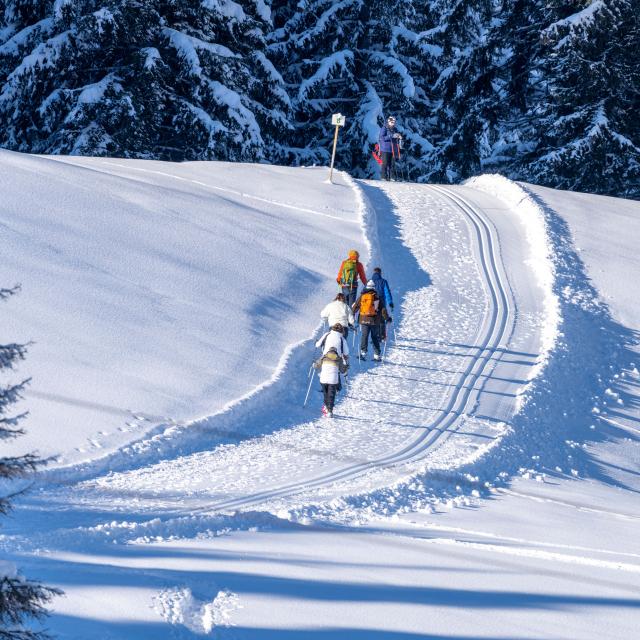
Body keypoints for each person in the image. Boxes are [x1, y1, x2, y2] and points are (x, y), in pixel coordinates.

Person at [352, 280, 389, 361]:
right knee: (374, 337)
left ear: (367, 287)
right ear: (374, 288)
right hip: (375, 321)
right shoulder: (377, 297)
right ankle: (376, 355)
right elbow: (383, 310)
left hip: (364, 319)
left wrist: (352, 313)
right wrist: (387, 318)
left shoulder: (362, 296)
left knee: (364, 336)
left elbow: (355, 307)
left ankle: (363, 353)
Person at [314, 347, 348, 418]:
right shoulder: (338, 359)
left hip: (323, 379)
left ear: (329, 351)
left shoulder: (324, 357)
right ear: (335, 352)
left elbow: (316, 365)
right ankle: (330, 411)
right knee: (331, 395)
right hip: (333, 380)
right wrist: (345, 366)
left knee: (325, 394)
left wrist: (314, 365)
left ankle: (326, 407)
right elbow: (343, 371)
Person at [371, 267, 394, 340]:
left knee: (374, 317)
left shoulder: (370, 281)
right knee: (382, 317)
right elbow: (387, 292)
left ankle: (376, 336)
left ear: (374, 273)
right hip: (382, 301)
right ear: (380, 273)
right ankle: (382, 336)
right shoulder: (383, 281)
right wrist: (390, 302)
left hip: (372, 301)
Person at [378, 116, 402, 181]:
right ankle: (384, 177)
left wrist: (399, 137)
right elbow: (381, 138)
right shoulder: (384, 128)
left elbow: (395, 138)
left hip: (393, 149)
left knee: (392, 164)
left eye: (394, 122)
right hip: (385, 149)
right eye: (392, 122)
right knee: (385, 163)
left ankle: (392, 177)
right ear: (388, 122)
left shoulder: (395, 129)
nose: (393, 123)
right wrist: (391, 136)